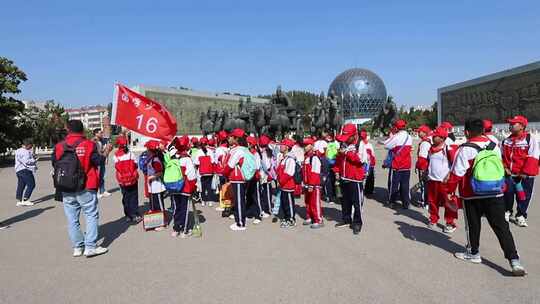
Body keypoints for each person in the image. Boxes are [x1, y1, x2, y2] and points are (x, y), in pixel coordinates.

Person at [446, 118, 526, 276]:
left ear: (467, 132)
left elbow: (457, 174)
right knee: (502, 227)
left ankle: (473, 252)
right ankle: (514, 260)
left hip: (471, 194)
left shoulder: (465, 149)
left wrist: (450, 191)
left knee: (473, 225)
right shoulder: (494, 145)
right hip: (495, 191)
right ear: (483, 130)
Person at [53, 120, 108, 257]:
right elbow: (98, 161)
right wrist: (107, 151)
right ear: (82, 130)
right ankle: (90, 247)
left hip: (66, 187)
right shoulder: (88, 144)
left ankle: (78, 247)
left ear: (68, 130)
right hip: (86, 185)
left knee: (72, 218)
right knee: (90, 214)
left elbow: (55, 163)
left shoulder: (59, 146)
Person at [501, 115, 539, 227]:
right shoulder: (506, 141)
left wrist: (525, 173)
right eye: (510, 123)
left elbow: (534, 157)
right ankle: (507, 211)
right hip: (509, 174)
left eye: (513, 124)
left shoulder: (530, 139)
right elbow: (501, 157)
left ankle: (520, 215)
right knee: (507, 194)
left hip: (524, 176)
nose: (510, 125)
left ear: (522, 126)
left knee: (523, 196)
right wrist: (504, 168)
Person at [334, 124, 367, 235]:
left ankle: (357, 222)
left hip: (355, 179)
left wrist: (347, 153)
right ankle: (346, 219)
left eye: (347, 137)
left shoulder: (360, 144)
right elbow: (338, 159)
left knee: (357, 202)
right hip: (343, 177)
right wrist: (337, 171)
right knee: (344, 201)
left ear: (353, 135)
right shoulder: (343, 143)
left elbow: (361, 159)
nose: (345, 140)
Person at [425, 127, 457, 233]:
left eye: (436, 136)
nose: (433, 137)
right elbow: (429, 162)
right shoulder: (430, 149)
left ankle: (450, 223)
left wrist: (449, 175)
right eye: (433, 135)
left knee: (449, 203)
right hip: (432, 180)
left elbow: (455, 164)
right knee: (432, 201)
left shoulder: (448, 149)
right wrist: (426, 173)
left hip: (444, 182)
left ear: (442, 138)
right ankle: (433, 219)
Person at [169, 136, 198, 238]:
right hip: (185, 187)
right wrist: (194, 188)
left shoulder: (172, 156)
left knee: (176, 208)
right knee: (184, 209)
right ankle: (184, 230)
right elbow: (191, 176)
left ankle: (176, 229)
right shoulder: (187, 159)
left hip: (173, 187)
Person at [223, 128, 249, 231]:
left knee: (239, 201)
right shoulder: (242, 149)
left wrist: (223, 172)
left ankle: (240, 223)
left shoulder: (238, 150)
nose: (229, 139)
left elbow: (230, 165)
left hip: (238, 178)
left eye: (231, 137)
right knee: (240, 200)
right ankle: (240, 219)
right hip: (239, 178)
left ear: (236, 138)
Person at [384, 119, 413, 209]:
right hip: (407, 165)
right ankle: (406, 203)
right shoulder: (409, 137)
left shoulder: (396, 137)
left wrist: (391, 138)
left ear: (396, 127)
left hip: (397, 165)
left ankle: (392, 202)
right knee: (405, 185)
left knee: (394, 185)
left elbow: (386, 145)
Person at [113, 136, 141, 223]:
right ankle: (135, 214)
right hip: (132, 178)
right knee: (134, 196)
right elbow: (136, 165)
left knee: (126, 197)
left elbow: (116, 167)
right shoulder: (130, 154)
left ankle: (128, 215)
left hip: (122, 180)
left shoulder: (116, 155)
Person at [145, 140, 167, 231]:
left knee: (159, 205)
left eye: (147, 149)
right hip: (152, 186)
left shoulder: (156, 160)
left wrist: (151, 178)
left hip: (157, 186)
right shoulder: (151, 158)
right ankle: (156, 221)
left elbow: (160, 173)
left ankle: (163, 222)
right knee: (154, 205)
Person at [302, 137, 324, 229]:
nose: (305, 147)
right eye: (304, 145)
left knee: (314, 202)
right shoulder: (306, 157)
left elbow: (315, 172)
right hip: (307, 184)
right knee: (307, 202)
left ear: (311, 146)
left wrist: (311, 184)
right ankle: (310, 216)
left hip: (314, 185)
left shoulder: (314, 157)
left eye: (307, 145)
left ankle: (319, 219)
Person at [277, 138, 297, 228]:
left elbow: (289, 173)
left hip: (288, 185)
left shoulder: (290, 159)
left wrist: (280, 181)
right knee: (284, 202)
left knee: (289, 203)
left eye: (282, 145)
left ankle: (291, 219)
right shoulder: (283, 158)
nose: (280, 146)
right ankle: (286, 217)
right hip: (283, 185)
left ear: (287, 147)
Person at [193, 137, 218, 207]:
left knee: (202, 187)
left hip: (201, 172)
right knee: (209, 187)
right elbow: (213, 161)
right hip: (209, 171)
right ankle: (210, 201)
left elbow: (196, 162)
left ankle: (203, 201)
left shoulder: (198, 152)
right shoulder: (210, 151)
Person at [246, 136, 263, 224]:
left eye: (248, 143)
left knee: (256, 197)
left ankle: (258, 214)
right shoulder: (247, 152)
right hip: (248, 177)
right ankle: (249, 213)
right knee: (249, 196)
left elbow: (257, 166)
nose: (247, 144)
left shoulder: (256, 154)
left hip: (254, 178)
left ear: (251, 144)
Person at [15, 139, 37, 206]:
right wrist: (34, 160)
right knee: (31, 184)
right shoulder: (26, 152)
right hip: (25, 170)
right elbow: (27, 161)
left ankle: (19, 200)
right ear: (28, 145)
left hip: (18, 169)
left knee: (21, 185)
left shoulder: (18, 150)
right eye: (31, 145)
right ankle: (26, 199)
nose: (31, 147)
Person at [415, 125, 432, 208]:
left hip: (424, 167)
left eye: (419, 131)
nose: (418, 133)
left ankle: (424, 202)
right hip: (427, 166)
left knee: (423, 186)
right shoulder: (428, 141)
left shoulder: (424, 143)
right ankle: (426, 202)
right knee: (427, 185)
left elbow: (422, 158)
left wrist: (419, 167)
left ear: (424, 133)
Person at [258, 135, 274, 218]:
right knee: (265, 192)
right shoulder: (268, 151)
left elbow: (267, 166)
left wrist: (266, 174)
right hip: (265, 175)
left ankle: (268, 210)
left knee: (267, 193)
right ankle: (266, 208)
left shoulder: (265, 153)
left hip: (266, 176)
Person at [92, 128, 112, 199]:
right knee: (97, 177)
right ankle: (96, 192)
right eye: (100, 133)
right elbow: (96, 151)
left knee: (102, 176)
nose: (102, 134)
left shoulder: (101, 141)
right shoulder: (93, 141)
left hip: (101, 160)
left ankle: (102, 191)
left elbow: (101, 150)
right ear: (96, 133)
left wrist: (106, 148)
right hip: (97, 161)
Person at [359, 129, 376, 195]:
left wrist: (372, 162)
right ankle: (364, 190)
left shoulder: (369, 144)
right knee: (364, 177)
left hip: (369, 163)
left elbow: (373, 154)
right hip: (364, 163)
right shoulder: (362, 144)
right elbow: (361, 154)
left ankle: (369, 190)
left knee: (370, 177)